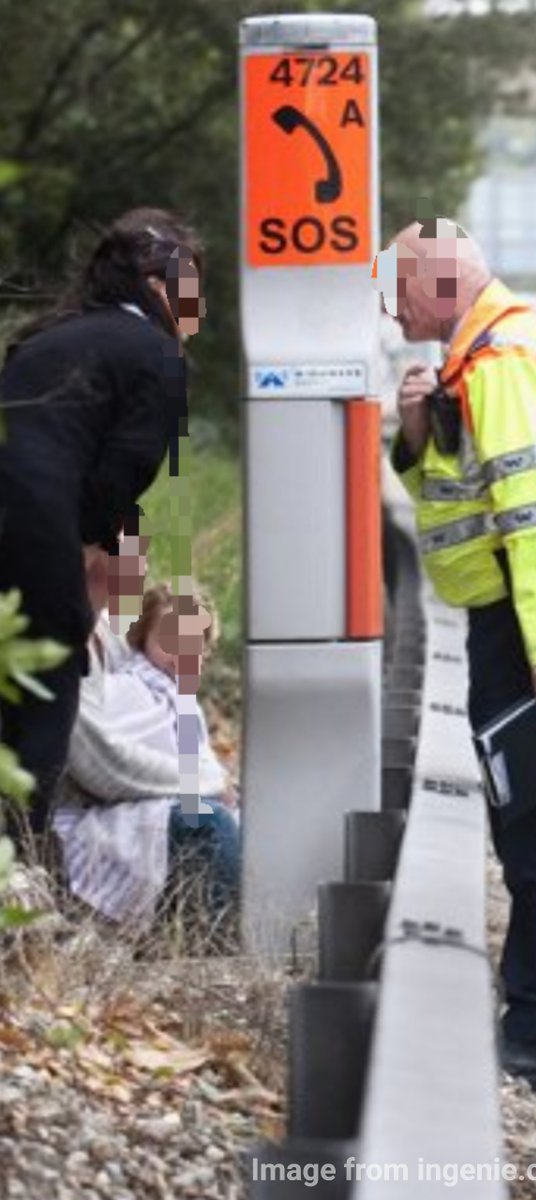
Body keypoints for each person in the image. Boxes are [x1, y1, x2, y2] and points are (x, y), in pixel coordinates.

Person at [379, 216, 536, 1094]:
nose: (393, 304)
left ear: (441, 281)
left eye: (400, 286)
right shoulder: (473, 363)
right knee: (533, 826)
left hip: (535, 620)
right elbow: (467, 495)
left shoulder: (506, 361)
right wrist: (416, 436)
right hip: (517, 615)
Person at [0, 207, 205, 841]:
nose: (200, 301)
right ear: (155, 281)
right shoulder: (157, 354)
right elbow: (117, 480)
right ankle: (16, 873)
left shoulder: (53, 335)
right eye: (193, 283)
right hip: (31, 527)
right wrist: (90, 551)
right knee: (45, 691)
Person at [52, 572, 239, 932]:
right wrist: (209, 782)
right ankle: (211, 943)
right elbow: (110, 760)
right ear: (143, 641)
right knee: (208, 823)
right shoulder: (131, 689)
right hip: (104, 812)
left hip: (154, 802)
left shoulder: (184, 704)